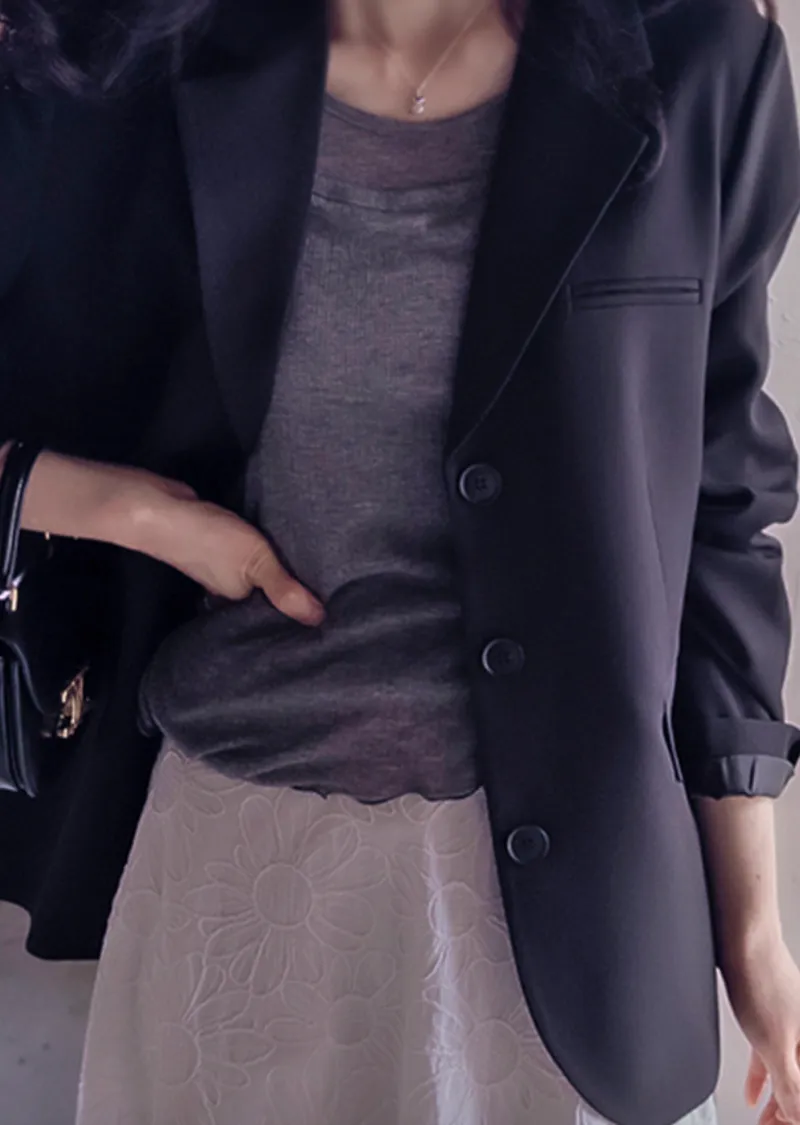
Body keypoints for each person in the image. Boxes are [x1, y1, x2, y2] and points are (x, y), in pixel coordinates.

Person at [1, 0, 800, 1122]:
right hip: (239, 873)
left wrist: (753, 931)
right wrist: (131, 512)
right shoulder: (135, 61)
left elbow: (723, 507)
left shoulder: (699, 60)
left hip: (583, 929)